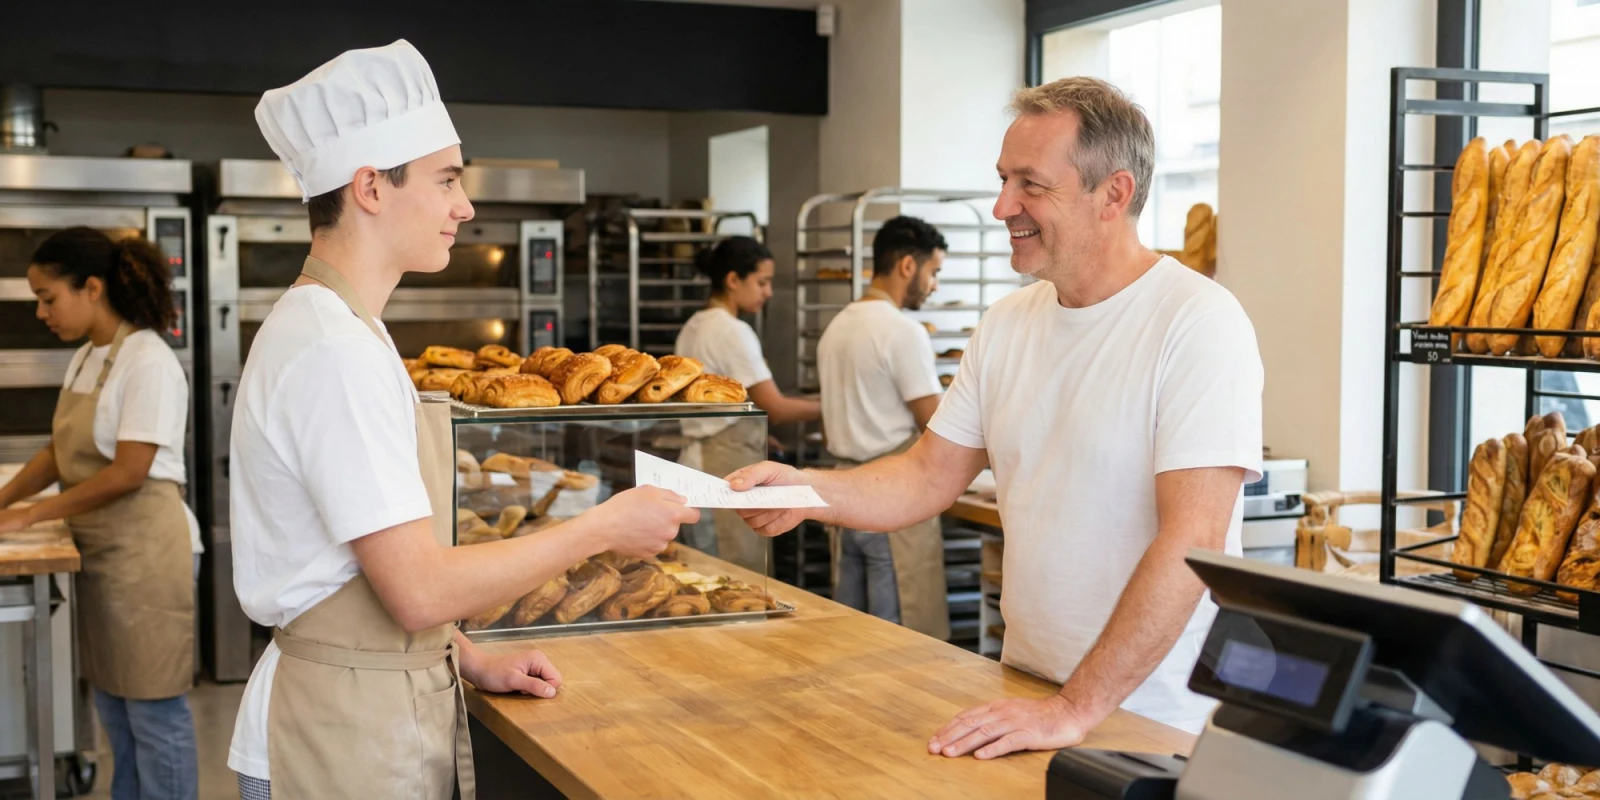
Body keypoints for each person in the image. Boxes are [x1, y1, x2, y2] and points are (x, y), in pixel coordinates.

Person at [728, 77, 1263, 755]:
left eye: (1030, 185)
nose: (1001, 205)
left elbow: (1195, 544)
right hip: (1031, 692)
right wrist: (804, 489)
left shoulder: (1197, 322)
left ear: (1115, 194)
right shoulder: (1010, 322)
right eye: (1004, 179)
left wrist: (1077, 706)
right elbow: (927, 474)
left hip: (1152, 715)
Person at [229, 41, 696, 799]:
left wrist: (470, 658)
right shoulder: (331, 350)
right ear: (371, 188)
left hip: (368, 713)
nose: (465, 206)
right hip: (335, 738)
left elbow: (364, 574)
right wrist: (604, 527)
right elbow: (415, 589)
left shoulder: (351, 330)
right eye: (447, 179)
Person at [0, 227, 200, 800]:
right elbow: (56, 453)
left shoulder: (148, 359)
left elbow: (130, 469)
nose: (42, 312)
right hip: (104, 558)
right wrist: (3, 502)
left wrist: (30, 517)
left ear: (92, 288)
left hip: (146, 557)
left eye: (48, 297)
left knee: (156, 715)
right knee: (116, 710)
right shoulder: (87, 358)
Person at [816, 215, 949, 639]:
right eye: (934, 272)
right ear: (908, 266)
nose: (935, 285)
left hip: (842, 490)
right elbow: (935, 421)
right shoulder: (902, 331)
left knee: (849, 630)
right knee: (895, 637)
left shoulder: (837, 327)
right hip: (890, 494)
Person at [675, 237, 820, 572]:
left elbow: (715, 405)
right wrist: (834, 406)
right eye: (762, 282)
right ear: (732, 280)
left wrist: (757, 435)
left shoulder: (693, 326)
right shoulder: (732, 331)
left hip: (696, 463)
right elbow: (777, 407)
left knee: (705, 567)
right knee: (738, 571)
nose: (768, 293)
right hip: (724, 468)